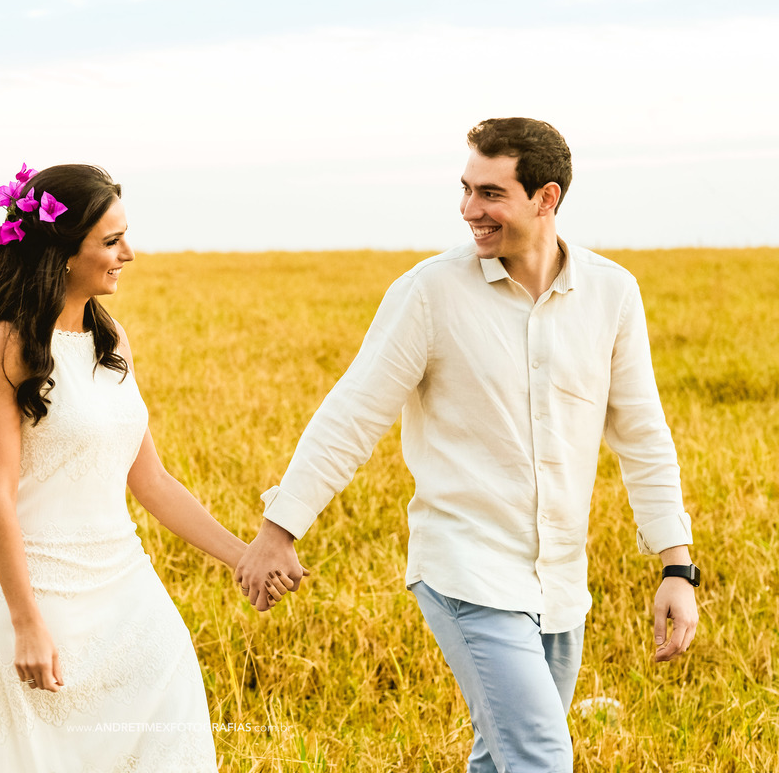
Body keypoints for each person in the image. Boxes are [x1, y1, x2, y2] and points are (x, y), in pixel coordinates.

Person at [235, 118, 700, 772]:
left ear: (547, 198)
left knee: (502, 756)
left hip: (559, 582)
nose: (468, 210)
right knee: (540, 756)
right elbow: (352, 415)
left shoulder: (611, 294)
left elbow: (643, 436)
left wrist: (676, 566)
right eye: (465, 189)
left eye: (490, 194)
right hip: (466, 569)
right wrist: (279, 527)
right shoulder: (430, 293)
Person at [0, 163, 290, 772]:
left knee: (174, 730)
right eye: (111, 241)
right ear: (60, 251)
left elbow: (152, 482)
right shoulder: (5, 344)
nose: (128, 254)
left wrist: (242, 554)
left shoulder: (110, 338)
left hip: (125, 587)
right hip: (40, 594)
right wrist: (25, 622)